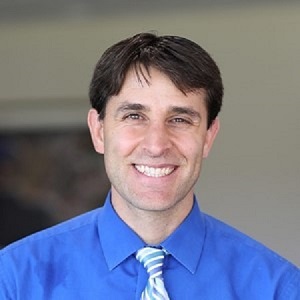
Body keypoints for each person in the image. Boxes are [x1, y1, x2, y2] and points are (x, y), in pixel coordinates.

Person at [0, 32, 299, 299]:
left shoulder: (278, 288)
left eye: (180, 119)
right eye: (134, 116)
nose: (156, 145)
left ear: (208, 136)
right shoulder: (13, 279)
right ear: (99, 131)